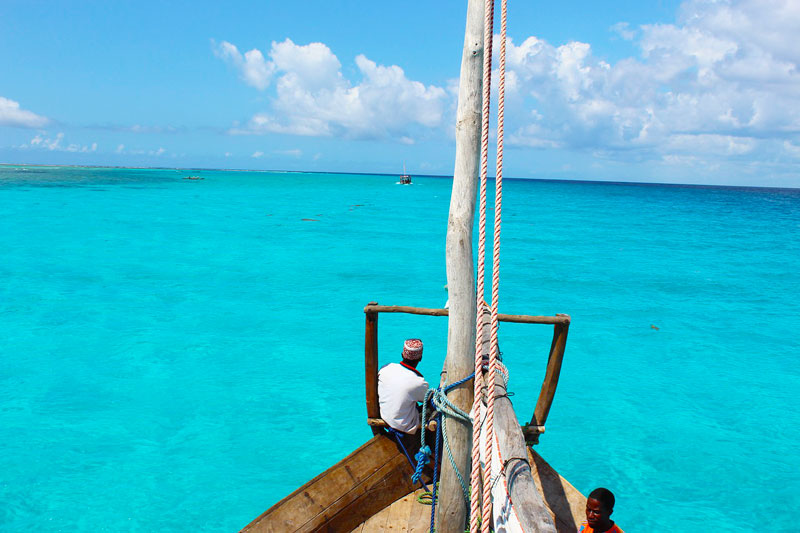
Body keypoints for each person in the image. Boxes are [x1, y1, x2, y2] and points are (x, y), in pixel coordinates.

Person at [377, 338, 429, 434]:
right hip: (403, 426)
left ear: (402, 354)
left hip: (385, 418)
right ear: (420, 358)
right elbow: (427, 399)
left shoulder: (385, 369)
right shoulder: (419, 382)